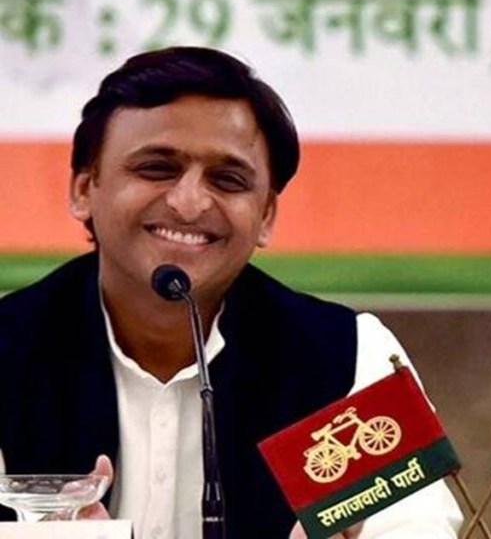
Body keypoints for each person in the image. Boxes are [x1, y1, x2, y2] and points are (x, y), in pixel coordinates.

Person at [0, 47, 462, 538]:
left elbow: (415, 529)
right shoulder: (8, 346)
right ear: (83, 190)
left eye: (228, 179)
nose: (189, 203)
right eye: (156, 168)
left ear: (266, 216)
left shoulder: (347, 355)